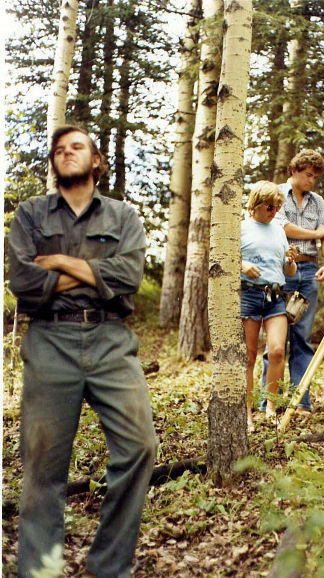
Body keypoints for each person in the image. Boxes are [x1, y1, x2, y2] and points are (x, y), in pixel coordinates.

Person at [8, 125, 158, 578]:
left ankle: (109, 567)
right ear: (53, 164)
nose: (67, 153)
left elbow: (129, 277)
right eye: (59, 150)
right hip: (50, 340)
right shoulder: (32, 215)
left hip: (111, 341)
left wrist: (56, 264)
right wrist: (96, 274)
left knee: (139, 447)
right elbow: (24, 283)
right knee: (42, 465)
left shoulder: (123, 217)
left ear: (96, 160)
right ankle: (40, 569)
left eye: (77, 147)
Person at [261, 149, 324, 413]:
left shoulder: (318, 202)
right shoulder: (277, 195)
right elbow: (284, 228)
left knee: (302, 338)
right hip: (282, 271)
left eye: (315, 177)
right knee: (276, 340)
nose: (311, 181)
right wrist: (316, 233)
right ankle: (267, 400)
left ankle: (301, 401)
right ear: (294, 170)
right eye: (307, 175)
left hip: (309, 272)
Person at [241, 181, 298, 431]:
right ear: (255, 205)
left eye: (277, 207)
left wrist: (291, 261)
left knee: (276, 351)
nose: (274, 212)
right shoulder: (242, 227)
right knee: (249, 356)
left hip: (275, 295)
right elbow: (227, 258)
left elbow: (290, 270)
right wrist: (243, 266)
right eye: (269, 207)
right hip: (249, 295)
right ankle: (246, 412)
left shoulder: (278, 229)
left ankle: (271, 406)